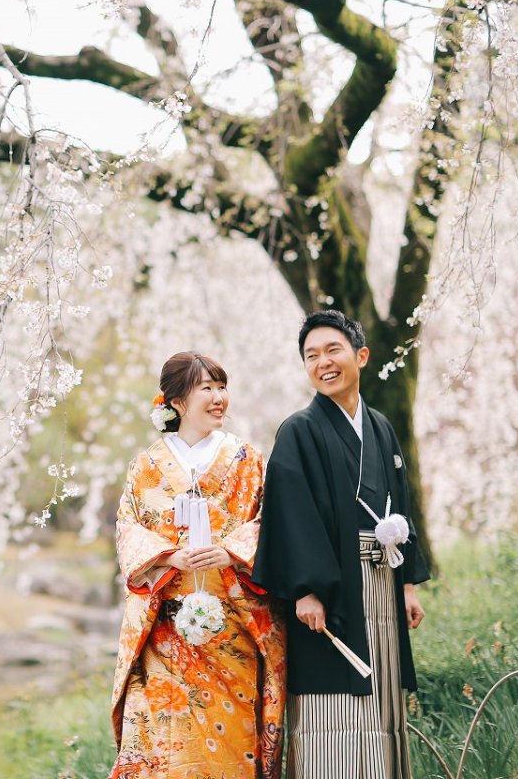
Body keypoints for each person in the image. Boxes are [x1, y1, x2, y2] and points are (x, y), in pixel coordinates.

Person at [251, 310, 429, 778]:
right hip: (330, 593)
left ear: (361, 356)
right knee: (331, 711)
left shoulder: (381, 427)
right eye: (311, 356)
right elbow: (290, 515)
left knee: (381, 698)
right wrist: (306, 590)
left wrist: (408, 582)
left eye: (333, 350)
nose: (323, 362)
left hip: (382, 582)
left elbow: (400, 505)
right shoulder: (298, 431)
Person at [110, 351, 285, 779]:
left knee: (233, 743)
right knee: (160, 740)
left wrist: (232, 552)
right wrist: (168, 556)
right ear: (177, 401)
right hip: (165, 632)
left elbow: (275, 521)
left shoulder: (247, 459)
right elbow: (127, 527)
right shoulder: (147, 465)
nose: (219, 397)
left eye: (222, 387)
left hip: (233, 627)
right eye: (206, 388)